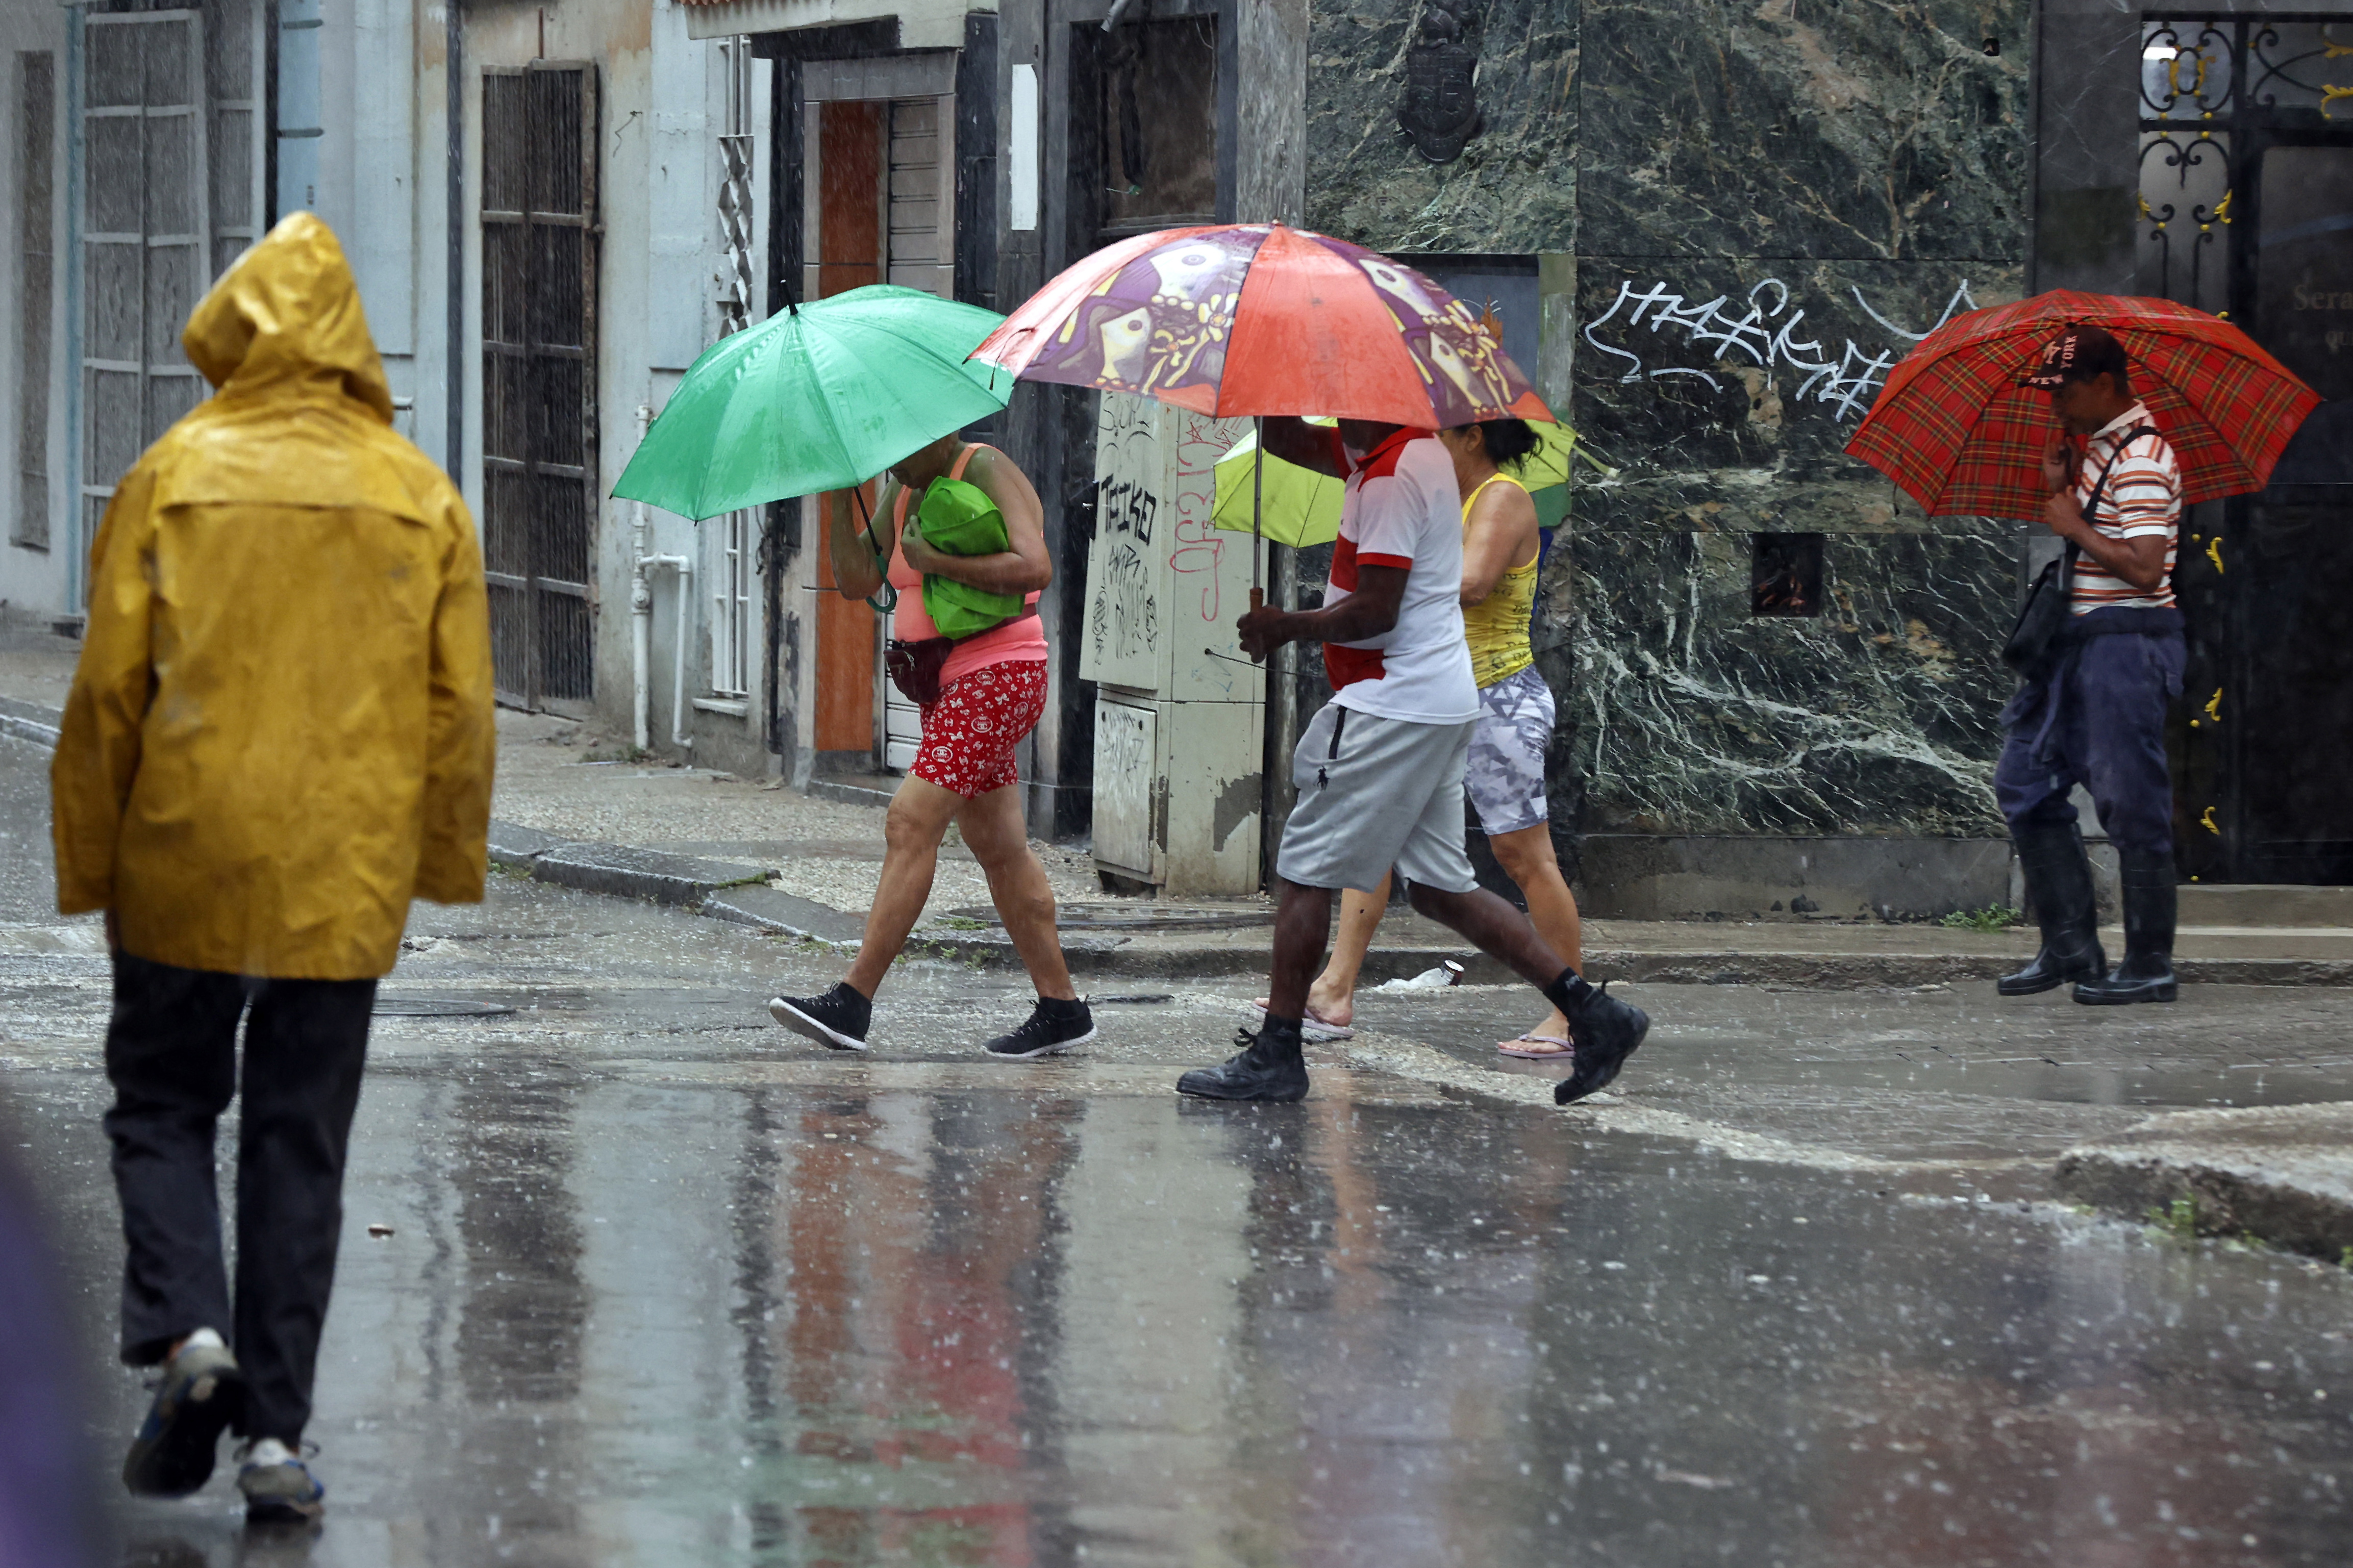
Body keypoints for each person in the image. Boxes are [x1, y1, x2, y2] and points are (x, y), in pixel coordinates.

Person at [49, 213, 495, 1523]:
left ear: (237, 332)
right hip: (339, 871)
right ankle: (274, 1442)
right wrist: (437, 863)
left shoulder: (173, 475)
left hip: (184, 847)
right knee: (301, 1142)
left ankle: (189, 1338)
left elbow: (106, 699)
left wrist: (92, 865)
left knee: (162, 1103)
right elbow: (458, 707)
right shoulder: (417, 492)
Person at [1176, 418, 1648, 1105]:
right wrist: (1267, 398)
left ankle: (1278, 1049)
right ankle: (1596, 1014)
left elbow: (1376, 608)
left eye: (1337, 391)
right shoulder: (1409, 454)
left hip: (1391, 703)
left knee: (1306, 870)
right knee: (1439, 888)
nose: (1328, 409)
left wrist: (1287, 626)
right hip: (1439, 696)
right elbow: (1293, 443)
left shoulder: (1398, 473)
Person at [1250, 418, 1587, 1058]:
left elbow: (1474, 581)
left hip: (1495, 695)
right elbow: (1295, 443)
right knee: (1374, 849)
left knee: (1522, 857)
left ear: (1473, 439)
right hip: (1435, 690)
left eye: (1446, 427)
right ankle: (1334, 987)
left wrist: (1395, 572)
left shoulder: (1498, 496)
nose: (1430, 432)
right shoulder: (1427, 480)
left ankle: (1568, 1014)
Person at [768, 433, 1095, 1058]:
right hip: (944, 684)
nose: (894, 458)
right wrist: (842, 494)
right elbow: (860, 580)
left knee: (909, 820)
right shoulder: (901, 488)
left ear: (937, 428)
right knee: (999, 848)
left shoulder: (986, 467)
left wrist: (938, 561)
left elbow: (1036, 566)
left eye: (903, 445)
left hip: (998, 673)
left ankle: (852, 1000)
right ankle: (1061, 1008)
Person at [1994, 324, 2186, 1005]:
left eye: (2065, 390)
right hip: (2075, 646)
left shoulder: (2142, 457)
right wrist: (2063, 484)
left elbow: (2143, 567)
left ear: (2105, 384)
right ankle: (2071, 944)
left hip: (2126, 644)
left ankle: (2149, 963)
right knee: (2023, 780)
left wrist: (2073, 525)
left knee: (2132, 799)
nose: (2055, 405)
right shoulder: (2100, 452)